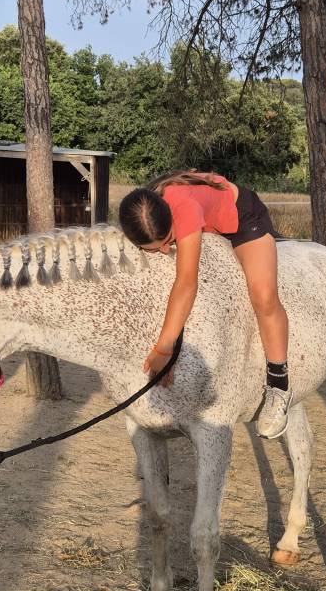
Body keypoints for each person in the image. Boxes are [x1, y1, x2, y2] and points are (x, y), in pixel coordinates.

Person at [118, 171, 292, 439]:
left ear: (171, 221)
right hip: (205, 224)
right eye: (153, 248)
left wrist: (164, 347)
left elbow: (187, 284)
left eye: (167, 241)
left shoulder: (184, 209)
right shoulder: (143, 210)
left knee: (263, 294)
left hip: (242, 219)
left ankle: (279, 385)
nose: (165, 250)